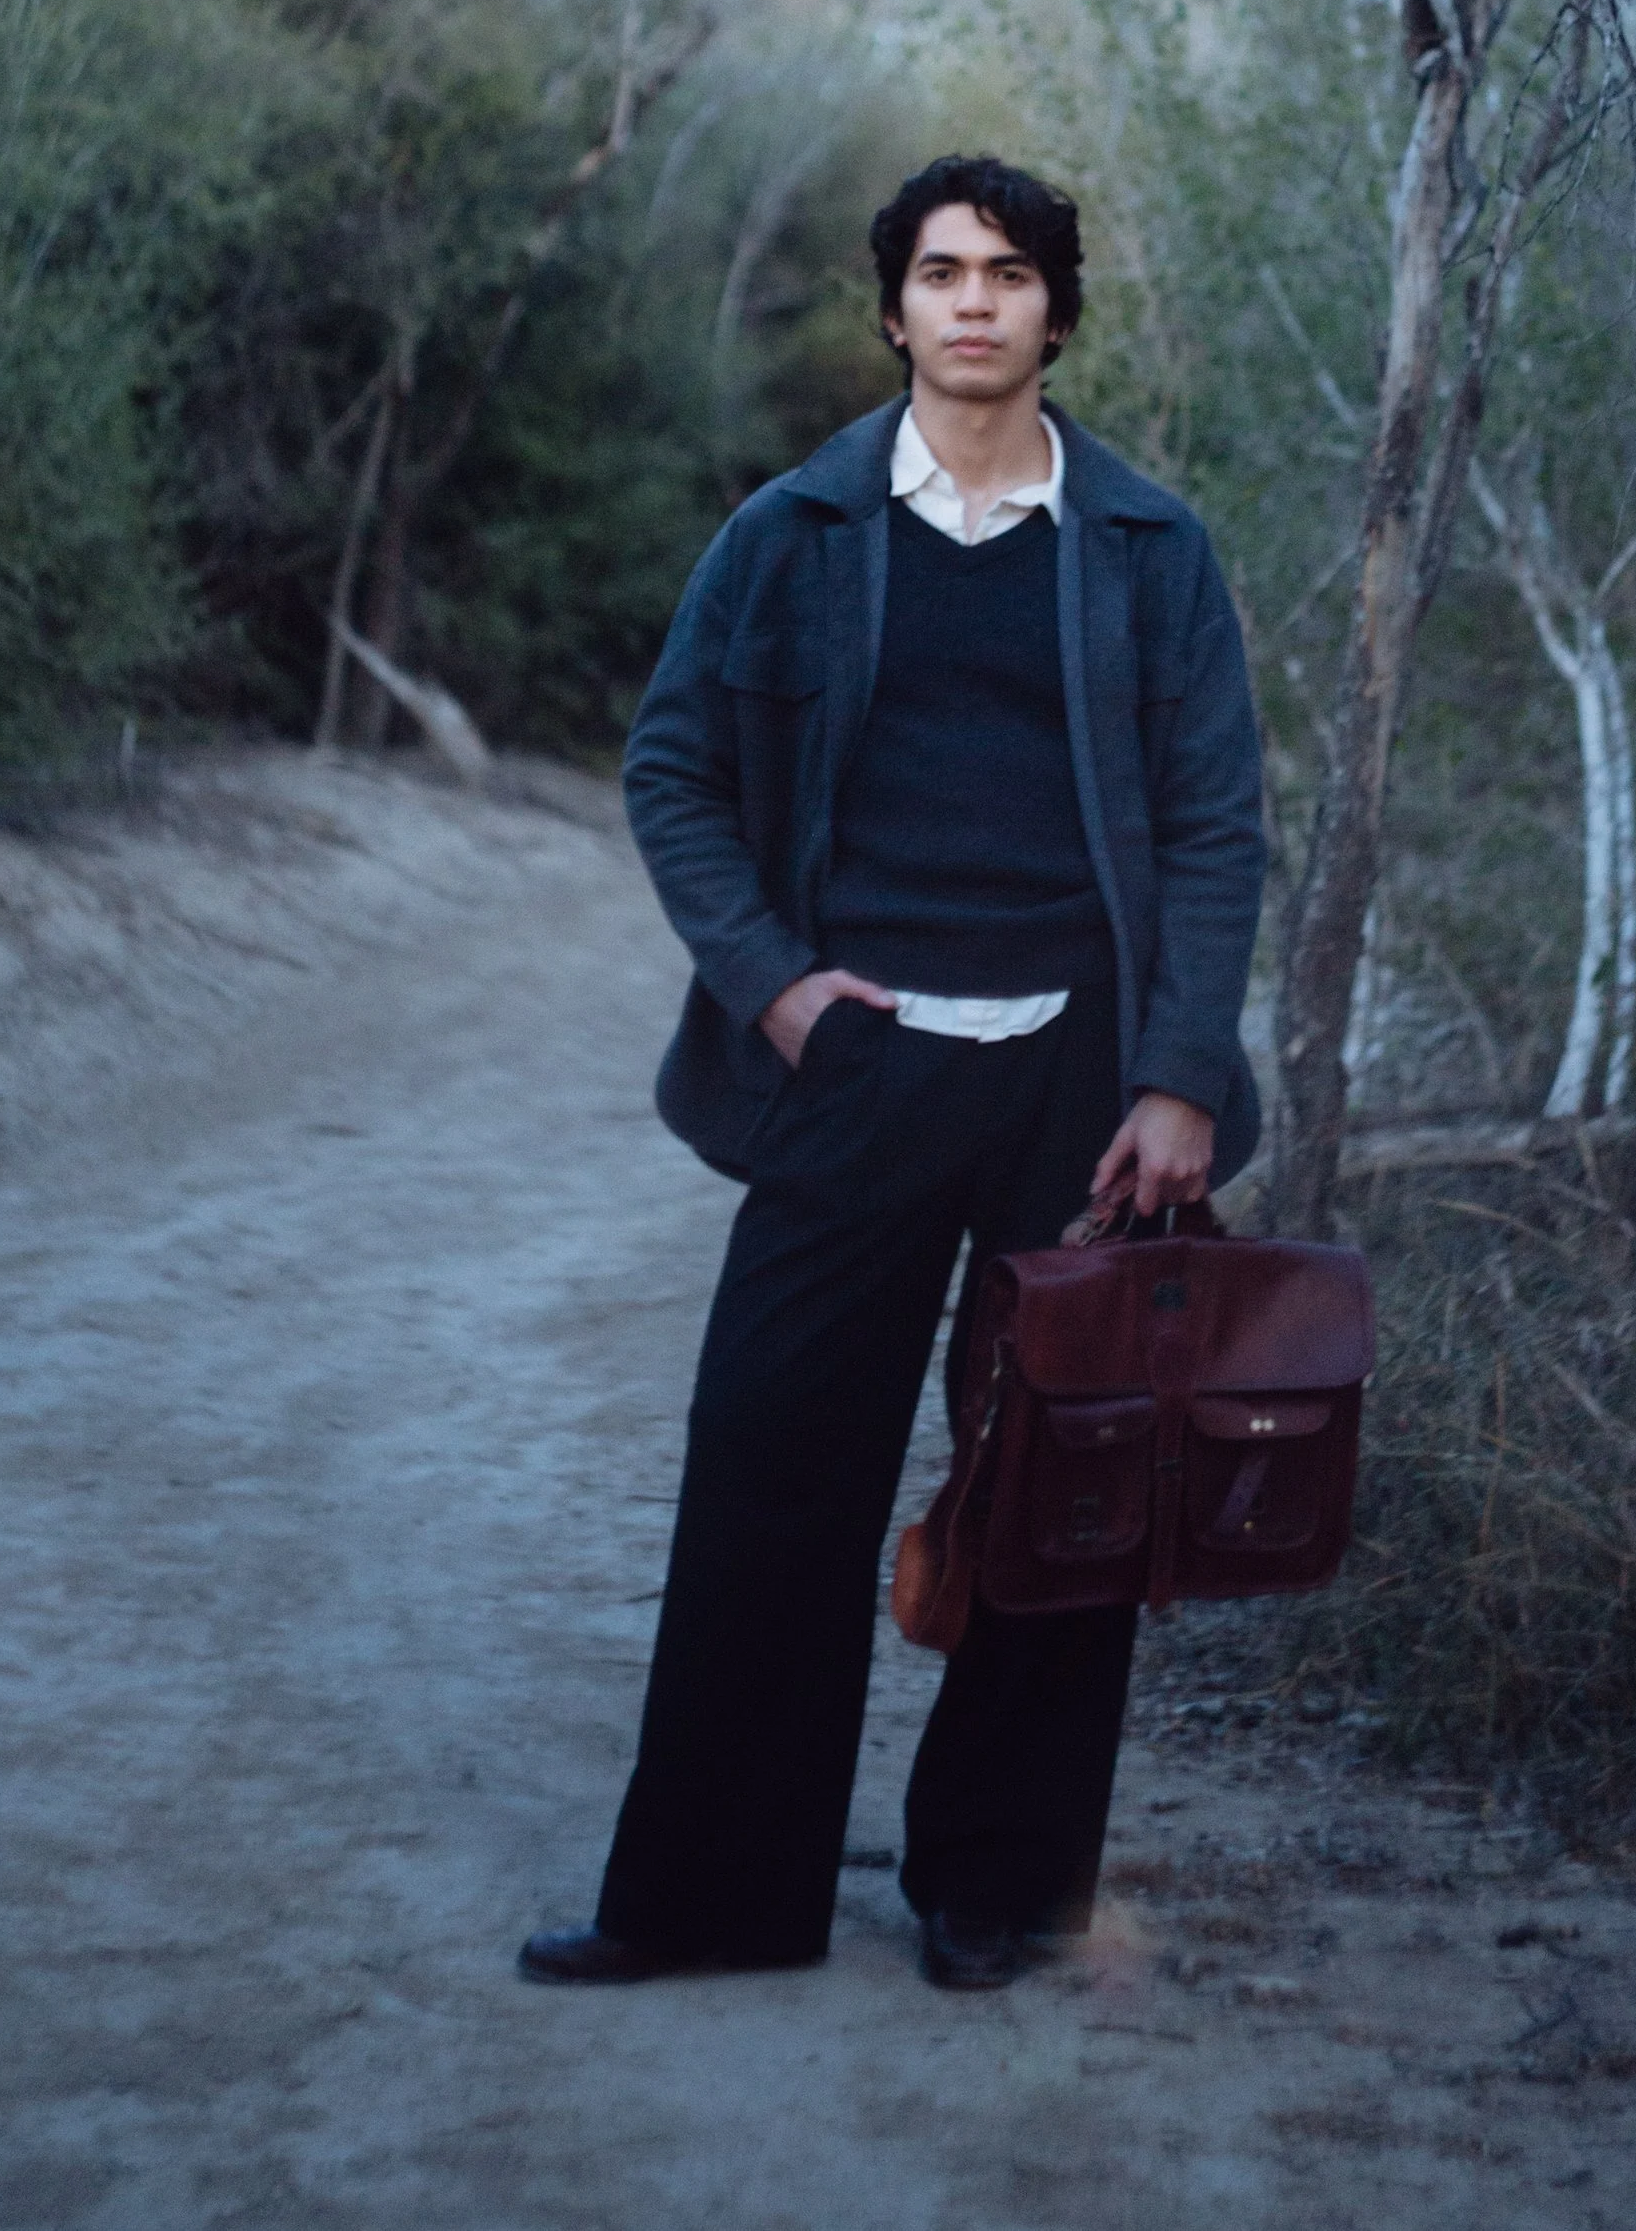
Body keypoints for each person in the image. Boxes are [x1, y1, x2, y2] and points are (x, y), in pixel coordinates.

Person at [518, 152, 1266, 1994]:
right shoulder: (792, 531)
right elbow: (671, 774)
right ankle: (707, 1897)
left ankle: (994, 1890)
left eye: (1010, 272)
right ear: (893, 307)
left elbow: (1220, 819)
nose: (974, 300)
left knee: (1057, 1484)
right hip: (853, 1064)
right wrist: (774, 988)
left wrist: (1178, 1070)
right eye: (940, 270)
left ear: (1057, 312)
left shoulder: (1152, 549)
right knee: (771, 1459)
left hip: (1081, 1083)